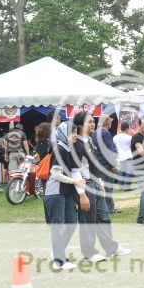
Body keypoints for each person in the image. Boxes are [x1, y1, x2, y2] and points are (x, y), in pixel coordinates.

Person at [72, 112, 129, 261]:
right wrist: (82, 194)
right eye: (89, 122)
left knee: (104, 217)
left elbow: (94, 165)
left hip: (96, 184)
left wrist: (99, 181)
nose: (92, 124)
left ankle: (111, 248)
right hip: (85, 187)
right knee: (88, 221)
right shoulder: (76, 144)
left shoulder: (90, 141)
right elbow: (75, 171)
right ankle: (89, 253)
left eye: (93, 121)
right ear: (79, 125)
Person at [44, 123, 87, 270]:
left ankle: (57, 251)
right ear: (63, 133)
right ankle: (58, 260)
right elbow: (55, 174)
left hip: (66, 191)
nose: (75, 135)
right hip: (56, 192)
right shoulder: (60, 149)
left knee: (71, 223)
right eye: (72, 132)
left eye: (76, 132)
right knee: (59, 226)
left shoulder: (70, 149)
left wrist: (79, 183)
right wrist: (75, 181)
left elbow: (75, 171)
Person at [92, 115, 120, 214]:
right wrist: (113, 166)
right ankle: (109, 208)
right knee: (108, 187)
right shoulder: (106, 133)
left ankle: (100, 208)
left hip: (96, 163)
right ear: (108, 122)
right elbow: (109, 151)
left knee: (100, 187)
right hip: (105, 164)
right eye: (110, 121)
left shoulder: (94, 133)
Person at [113, 122, 134, 188]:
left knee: (121, 171)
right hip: (128, 155)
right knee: (129, 172)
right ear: (127, 129)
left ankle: (121, 185)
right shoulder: (129, 137)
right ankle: (127, 186)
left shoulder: (115, 137)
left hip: (119, 156)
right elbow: (131, 147)